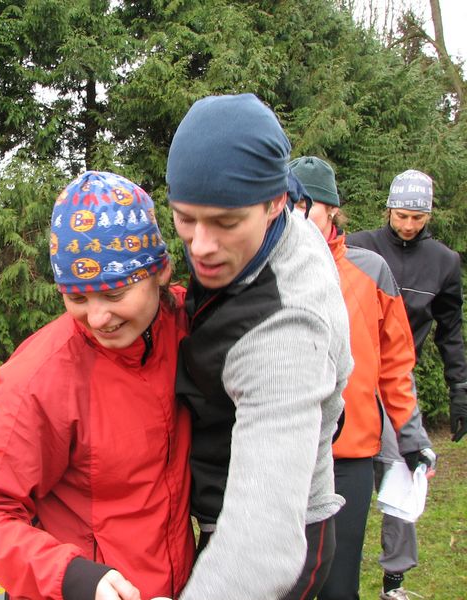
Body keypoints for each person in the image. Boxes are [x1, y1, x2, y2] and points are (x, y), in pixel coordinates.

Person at [0, 171, 194, 600]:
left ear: (160, 270)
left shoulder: (187, 328)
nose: (98, 317)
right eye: (78, 298)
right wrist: (77, 579)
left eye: (115, 293)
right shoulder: (39, 380)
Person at [164, 94, 353, 599]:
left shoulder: (284, 333)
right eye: (185, 218)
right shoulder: (275, 222)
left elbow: (261, 549)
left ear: (276, 205)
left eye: (225, 223)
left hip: (267, 545)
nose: (200, 245)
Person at [290, 156, 431, 600]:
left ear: (330, 209)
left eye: (305, 205)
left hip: (348, 456)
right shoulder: (265, 270)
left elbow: (395, 365)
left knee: (338, 584)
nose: (295, 216)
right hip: (284, 454)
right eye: (285, 205)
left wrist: (411, 438)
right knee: (284, 580)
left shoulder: (371, 271)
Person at [347, 169, 463, 599]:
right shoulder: (360, 246)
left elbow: (451, 332)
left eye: (417, 218)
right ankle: (331, 563)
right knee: (343, 477)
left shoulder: (444, 263)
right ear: (388, 209)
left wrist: (460, 390)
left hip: (397, 386)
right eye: (401, 216)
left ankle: (394, 581)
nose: (409, 225)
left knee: (403, 477)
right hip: (352, 379)